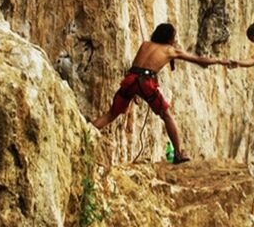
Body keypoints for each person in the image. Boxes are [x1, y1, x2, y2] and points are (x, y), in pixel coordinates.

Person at [92, 23, 230, 163]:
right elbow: (199, 60)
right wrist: (219, 60)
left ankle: (88, 129)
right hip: (146, 82)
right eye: (174, 37)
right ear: (169, 38)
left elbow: (136, 65)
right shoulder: (170, 50)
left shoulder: (145, 44)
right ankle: (178, 153)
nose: (175, 39)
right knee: (167, 115)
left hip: (131, 79)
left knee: (111, 114)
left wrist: (134, 92)